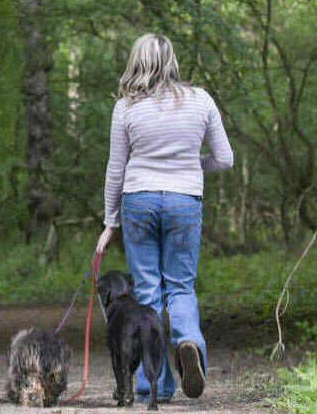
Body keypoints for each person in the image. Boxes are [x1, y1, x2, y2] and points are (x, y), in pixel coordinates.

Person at [95, 33, 233, 402]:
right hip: (184, 201)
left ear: (136, 62)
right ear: (171, 60)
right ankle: (189, 344)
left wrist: (110, 222)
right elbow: (225, 158)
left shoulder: (126, 108)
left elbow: (116, 168)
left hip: (138, 199)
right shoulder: (200, 99)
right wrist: (190, 167)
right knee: (182, 287)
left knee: (147, 291)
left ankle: (150, 386)